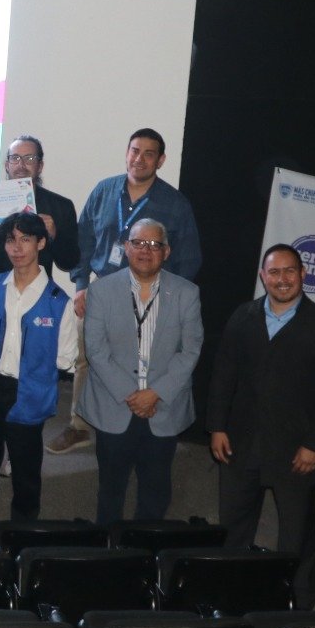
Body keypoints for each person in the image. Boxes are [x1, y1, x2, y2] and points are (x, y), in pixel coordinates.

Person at [208, 243, 315, 609]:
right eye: (274, 272)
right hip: (241, 443)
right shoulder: (243, 317)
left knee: (297, 532)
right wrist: (217, 426)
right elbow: (223, 374)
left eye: (289, 271)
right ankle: (230, 593)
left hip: (296, 448)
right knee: (233, 526)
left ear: (303, 274)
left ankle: (297, 601)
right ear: (263, 276)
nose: (281, 279)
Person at [50, 128, 203, 456]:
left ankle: (137, 421)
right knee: (89, 358)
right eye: (135, 150)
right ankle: (80, 425)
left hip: (150, 295)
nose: (139, 159)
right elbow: (83, 241)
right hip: (101, 292)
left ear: (160, 160)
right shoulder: (104, 191)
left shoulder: (175, 204)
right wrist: (81, 285)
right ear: (126, 153)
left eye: (149, 153)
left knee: (141, 359)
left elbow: (189, 258)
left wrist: (167, 299)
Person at [76, 218, 202, 524]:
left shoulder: (186, 293)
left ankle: (146, 549)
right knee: (110, 490)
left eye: (154, 244)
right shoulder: (101, 290)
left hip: (163, 405)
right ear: (125, 247)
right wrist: (132, 395)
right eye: (138, 243)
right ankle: (109, 548)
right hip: (114, 402)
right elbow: (96, 350)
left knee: (155, 491)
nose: (145, 250)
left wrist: (154, 393)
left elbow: (190, 350)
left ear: (167, 251)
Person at [0, 213, 78, 526]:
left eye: (25, 239)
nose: (17, 248)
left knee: (26, 474)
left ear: (40, 243)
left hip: (29, 393)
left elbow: (65, 359)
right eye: (11, 240)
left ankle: (22, 534)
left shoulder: (59, 301)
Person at [0, 135, 80, 295]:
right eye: (15, 158)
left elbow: (69, 262)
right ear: (7, 165)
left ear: (40, 166)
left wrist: (54, 235)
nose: (21, 165)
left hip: (36, 295)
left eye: (29, 158)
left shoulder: (60, 207)